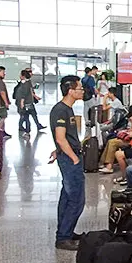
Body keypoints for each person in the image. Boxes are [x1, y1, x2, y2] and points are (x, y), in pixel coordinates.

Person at [49, 76, 85, 251]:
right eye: (80, 88)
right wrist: (74, 158)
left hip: (68, 155)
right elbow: (60, 138)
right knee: (76, 199)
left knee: (67, 197)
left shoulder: (67, 109)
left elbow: (63, 139)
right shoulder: (61, 110)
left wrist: (58, 150)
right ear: (70, 91)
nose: (82, 91)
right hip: (71, 159)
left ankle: (66, 232)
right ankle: (63, 237)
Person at [16, 69, 45, 138]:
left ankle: (27, 131)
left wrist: (22, 103)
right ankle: (32, 128)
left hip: (27, 104)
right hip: (29, 103)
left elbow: (24, 94)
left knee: (26, 118)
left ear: (23, 76)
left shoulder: (25, 84)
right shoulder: (28, 83)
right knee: (30, 116)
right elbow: (30, 91)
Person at [0, 66, 11, 138]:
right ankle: (0, 132)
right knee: (3, 117)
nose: (4, 74)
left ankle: (2, 131)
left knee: (3, 117)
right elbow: (2, 92)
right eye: (3, 72)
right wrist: (6, 102)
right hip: (0, 103)